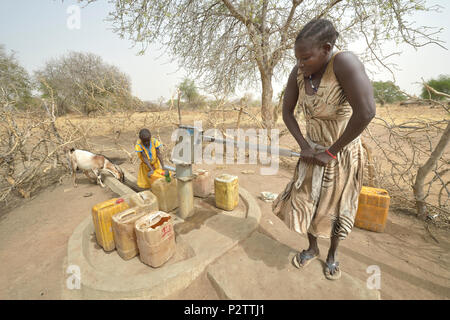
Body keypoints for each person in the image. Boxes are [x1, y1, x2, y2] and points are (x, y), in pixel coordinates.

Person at [272, 19, 376, 280]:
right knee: (308, 204)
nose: (301, 63)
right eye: (297, 58)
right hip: (312, 153)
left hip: (340, 155)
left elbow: (366, 112)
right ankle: (312, 247)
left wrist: (330, 152)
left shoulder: (344, 63)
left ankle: (332, 255)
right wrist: (304, 146)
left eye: (306, 57)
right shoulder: (299, 73)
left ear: (326, 48)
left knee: (336, 209)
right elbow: (286, 111)